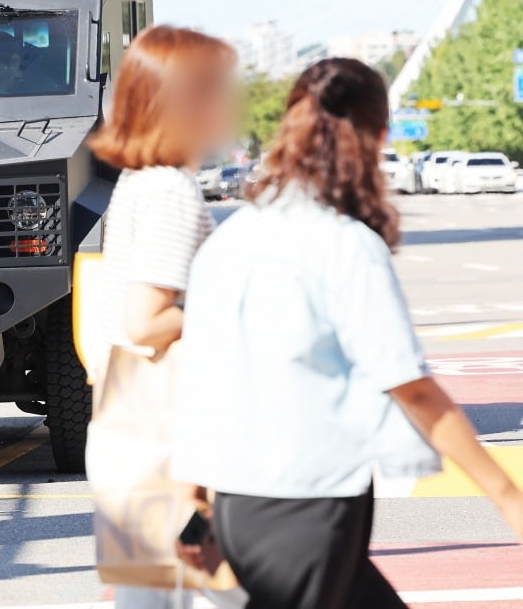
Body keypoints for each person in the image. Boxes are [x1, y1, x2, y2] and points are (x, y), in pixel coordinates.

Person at [170, 58, 523, 608]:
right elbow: (411, 387)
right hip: (309, 506)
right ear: (378, 136)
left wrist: (198, 497)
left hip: (244, 503)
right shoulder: (345, 245)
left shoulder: (232, 238)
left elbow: (203, 372)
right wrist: (508, 499)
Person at [83, 25, 239, 609]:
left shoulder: (138, 182)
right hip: (167, 440)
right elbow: (147, 321)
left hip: (129, 429)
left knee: (151, 597)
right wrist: (229, 308)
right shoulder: (171, 190)